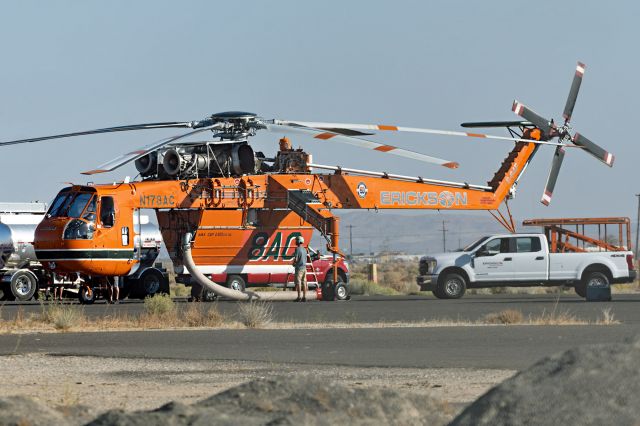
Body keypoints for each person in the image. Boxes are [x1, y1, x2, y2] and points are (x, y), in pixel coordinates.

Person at [292, 235, 308, 302]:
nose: (295, 241)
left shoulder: (297, 249)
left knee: (298, 283)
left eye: (296, 240)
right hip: (304, 268)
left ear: (298, 241)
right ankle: (304, 297)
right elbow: (306, 259)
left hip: (299, 268)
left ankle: (299, 297)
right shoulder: (305, 249)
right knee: (304, 282)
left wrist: (293, 263)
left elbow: (296, 259)